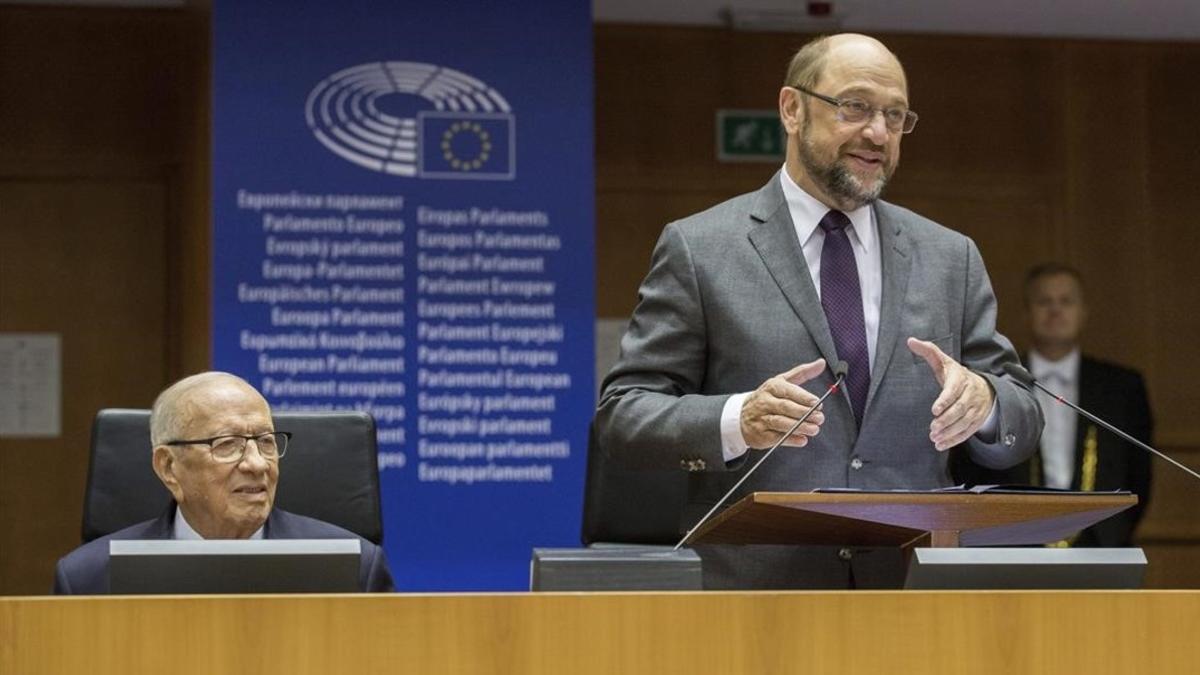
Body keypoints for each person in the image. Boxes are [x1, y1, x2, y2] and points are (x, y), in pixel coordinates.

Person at [594, 33, 1043, 589]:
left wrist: (989, 403)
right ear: (792, 109)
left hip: (909, 596)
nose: (877, 133)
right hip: (755, 601)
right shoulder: (702, 249)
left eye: (895, 115)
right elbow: (625, 417)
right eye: (854, 106)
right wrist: (739, 420)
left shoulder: (950, 257)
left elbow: (1021, 416)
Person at [54, 372, 394, 593]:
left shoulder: (355, 570)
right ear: (168, 467)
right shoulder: (89, 579)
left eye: (266, 441)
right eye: (227, 444)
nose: (257, 464)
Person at [955, 263, 1153, 546]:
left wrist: (1114, 532)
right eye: (1044, 301)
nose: (1055, 310)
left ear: (1084, 312)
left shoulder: (1122, 387)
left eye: (1066, 301)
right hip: (1011, 543)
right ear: (1027, 313)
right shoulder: (995, 381)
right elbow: (971, 465)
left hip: (1100, 543)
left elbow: (1139, 472)